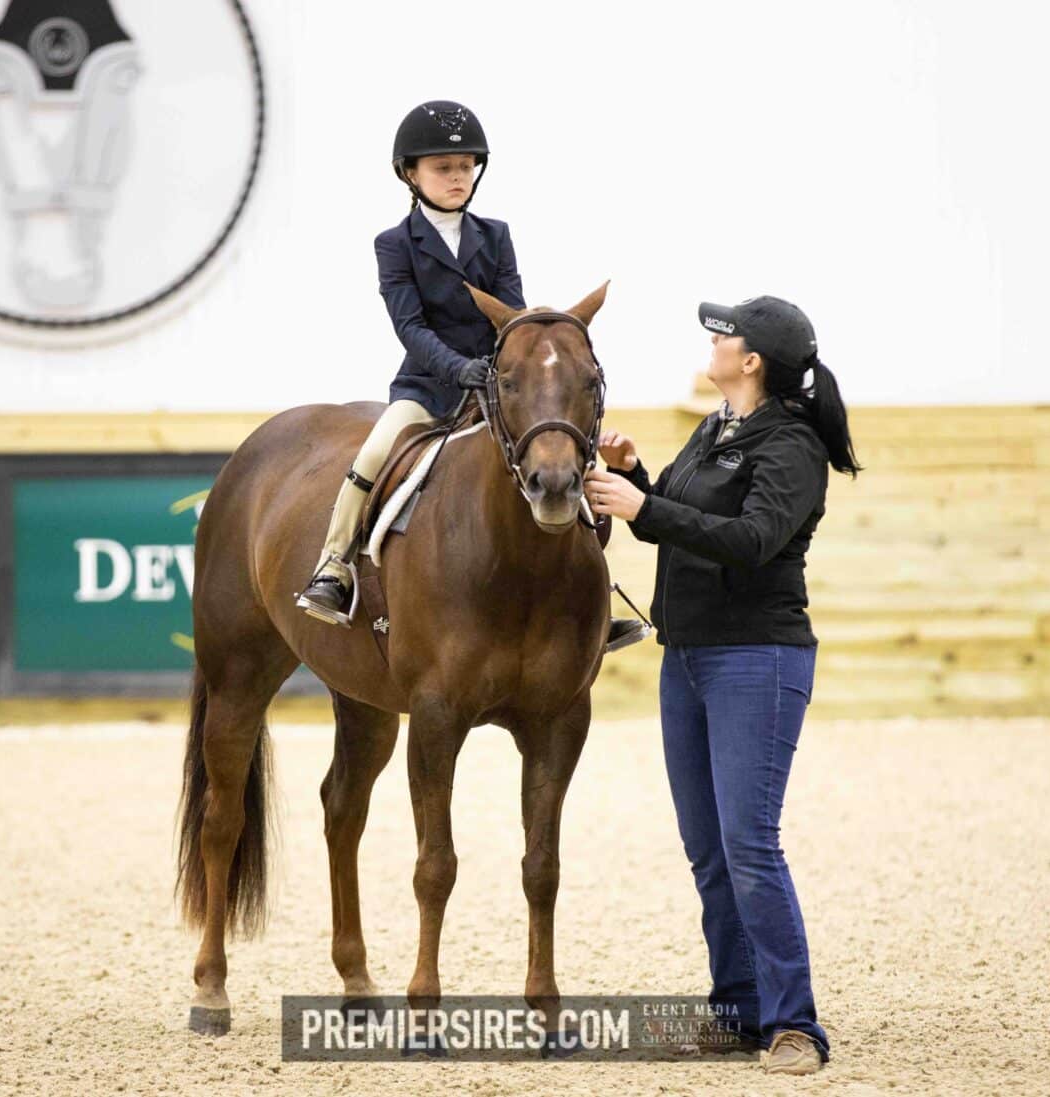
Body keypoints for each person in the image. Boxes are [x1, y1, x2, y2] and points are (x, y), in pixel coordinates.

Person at [585, 295, 861, 1075]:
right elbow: (667, 514)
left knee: (749, 843)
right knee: (708, 849)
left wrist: (645, 504)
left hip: (757, 658)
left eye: (727, 333)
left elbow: (752, 541)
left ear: (754, 361)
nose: (713, 339)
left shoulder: (792, 446)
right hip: (691, 657)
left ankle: (795, 1024)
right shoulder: (717, 428)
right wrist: (637, 477)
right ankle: (738, 1008)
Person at [296, 99, 649, 653]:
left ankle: (593, 592)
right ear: (411, 174)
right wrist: (459, 368)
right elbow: (409, 326)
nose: (457, 177)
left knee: (555, 455)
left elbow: (511, 313)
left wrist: (516, 369)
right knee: (372, 455)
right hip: (428, 388)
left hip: (497, 389)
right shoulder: (394, 245)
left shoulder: (497, 234)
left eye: (465, 167)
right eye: (443, 168)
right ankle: (335, 566)